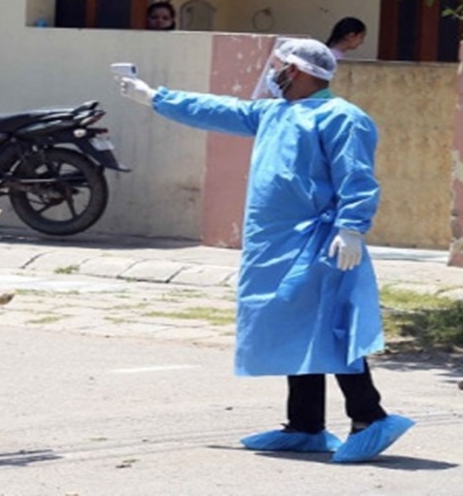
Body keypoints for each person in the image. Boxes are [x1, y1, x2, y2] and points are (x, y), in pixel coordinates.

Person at [117, 39, 414, 463]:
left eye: (278, 66)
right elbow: (219, 110)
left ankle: (370, 417)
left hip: (320, 242)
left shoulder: (342, 117)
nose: (272, 73)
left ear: (296, 70)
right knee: (294, 326)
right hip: (276, 243)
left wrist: (351, 227)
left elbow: (357, 176)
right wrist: (154, 97)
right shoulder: (273, 113)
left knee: (330, 327)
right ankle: (306, 425)